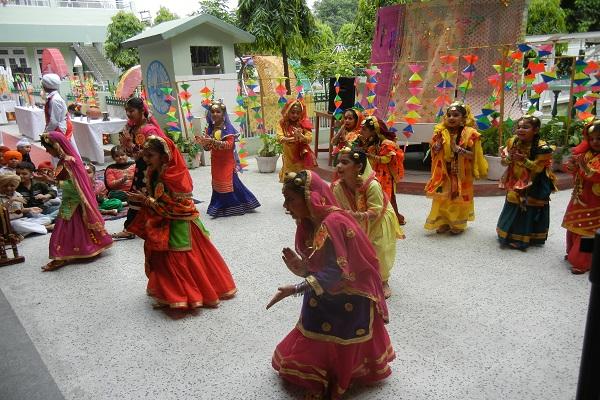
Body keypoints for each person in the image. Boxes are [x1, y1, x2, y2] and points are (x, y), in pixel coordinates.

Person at [268, 170, 395, 400]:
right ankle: (318, 375)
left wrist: (296, 288)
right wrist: (303, 269)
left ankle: (336, 378)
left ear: (310, 197)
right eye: (285, 199)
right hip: (325, 287)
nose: (286, 206)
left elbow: (337, 272)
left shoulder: (333, 222)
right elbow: (320, 266)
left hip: (351, 291)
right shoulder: (308, 222)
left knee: (338, 333)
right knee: (312, 320)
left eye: (290, 199)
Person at [127, 135, 237, 309]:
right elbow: (159, 201)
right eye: (145, 155)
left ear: (164, 157)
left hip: (178, 224)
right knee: (164, 259)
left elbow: (175, 208)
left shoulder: (173, 177)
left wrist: (146, 201)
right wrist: (146, 199)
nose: (145, 159)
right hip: (163, 220)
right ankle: (171, 291)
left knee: (179, 257)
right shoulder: (154, 171)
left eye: (150, 155)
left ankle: (185, 295)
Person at [331, 147, 404, 298]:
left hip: (379, 218)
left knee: (379, 249)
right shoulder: (338, 187)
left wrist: (353, 215)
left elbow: (375, 211)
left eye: (344, 162)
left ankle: (383, 281)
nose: (339, 166)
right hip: (357, 220)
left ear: (358, 167)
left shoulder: (372, 185)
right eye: (338, 162)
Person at [39, 131, 112, 271]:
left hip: (73, 201)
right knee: (76, 227)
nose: (48, 151)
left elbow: (74, 187)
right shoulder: (65, 160)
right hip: (70, 200)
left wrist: (51, 181)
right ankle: (86, 248)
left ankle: (60, 257)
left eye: (49, 148)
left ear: (57, 146)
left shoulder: (69, 162)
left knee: (62, 229)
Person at [424, 102, 488, 234]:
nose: (451, 118)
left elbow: (474, 156)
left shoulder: (471, 134)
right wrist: (436, 147)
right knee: (443, 197)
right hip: (444, 171)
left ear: (464, 119)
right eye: (449, 115)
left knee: (458, 197)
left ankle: (458, 224)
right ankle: (443, 221)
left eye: (456, 115)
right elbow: (435, 151)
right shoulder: (441, 132)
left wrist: (458, 150)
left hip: (462, 172)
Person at [496, 115, 557, 250]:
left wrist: (524, 161)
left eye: (525, 127)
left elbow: (538, 168)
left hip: (534, 182)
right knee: (512, 202)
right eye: (519, 127)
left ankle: (523, 239)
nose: (520, 129)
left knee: (527, 208)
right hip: (515, 179)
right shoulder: (513, 142)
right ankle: (507, 234)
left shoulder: (543, 148)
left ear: (535, 130)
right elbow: (504, 162)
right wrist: (509, 157)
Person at [113, 97, 166, 239]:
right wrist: (127, 147)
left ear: (142, 111)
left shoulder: (149, 130)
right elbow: (134, 155)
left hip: (151, 169)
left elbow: (154, 153)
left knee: (148, 196)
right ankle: (131, 228)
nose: (129, 114)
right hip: (140, 167)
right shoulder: (131, 127)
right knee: (136, 197)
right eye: (127, 111)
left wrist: (131, 146)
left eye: (131, 110)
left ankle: (142, 227)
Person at [196, 100, 260, 217]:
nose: (215, 114)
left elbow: (229, 145)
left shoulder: (228, 128)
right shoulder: (210, 128)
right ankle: (222, 206)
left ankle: (237, 206)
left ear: (223, 113)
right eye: (212, 112)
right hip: (215, 161)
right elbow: (208, 148)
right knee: (218, 183)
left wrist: (213, 141)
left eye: (218, 111)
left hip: (226, 161)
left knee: (230, 182)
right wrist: (204, 143)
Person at [562, 120, 600, 273]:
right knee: (575, 226)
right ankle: (573, 253)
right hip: (580, 197)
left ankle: (583, 262)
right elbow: (574, 170)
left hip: (594, 201)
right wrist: (572, 165)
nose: (595, 141)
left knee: (588, 230)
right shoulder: (588, 154)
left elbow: (595, 176)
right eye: (592, 139)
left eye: (599, 138)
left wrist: (582, 167)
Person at [359, 115, 406, 225]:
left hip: (386, 175)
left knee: (386, 196)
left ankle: (390, 218)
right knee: (378, 195)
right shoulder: (372, 141)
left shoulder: (386, 144)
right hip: (377, 172)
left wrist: (370, 156)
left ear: (374, 131)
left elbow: (387, 159)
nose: (361, 131)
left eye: (364, 129)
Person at [276, 99, 317, 182]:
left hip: (301, 157)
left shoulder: (304, 123)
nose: (295, 115)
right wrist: (294, 138)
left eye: (298, 113)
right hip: (288, 157)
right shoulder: (282, 123)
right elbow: (280, 138)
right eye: (293, 112)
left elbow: (309, 139)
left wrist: (301, 136)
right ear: (288, 111)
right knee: (289, 183)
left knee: (301, 181)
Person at [42, 74, 77, 152]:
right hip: (60, 127)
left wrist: (46, 133)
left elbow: (54, 121)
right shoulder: (53, 98)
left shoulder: (55, 100)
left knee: (62, 153)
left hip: (60, 129)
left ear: (46, 86)